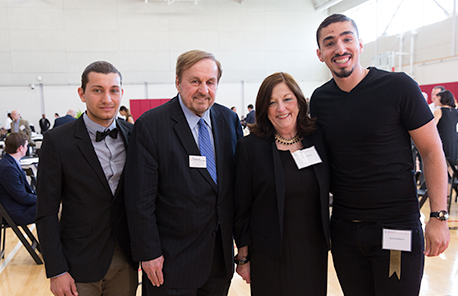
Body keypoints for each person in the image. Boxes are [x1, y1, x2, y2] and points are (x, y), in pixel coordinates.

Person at [310, 14, 450, 296]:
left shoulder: (398, 87)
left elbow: (432, 150)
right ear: (320, 54)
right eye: (330, 43)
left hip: (396, 227)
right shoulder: (320, 100)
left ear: (360, 44)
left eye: (347, 39)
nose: (340, 48)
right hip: (345, 231)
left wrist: (438, 216)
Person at [124, 49, 243, 296]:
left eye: (210, 82)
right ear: (178, 82)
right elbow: (140, 199)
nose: (204, 90)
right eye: (195, 81)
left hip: (218, 261)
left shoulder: (229, 120)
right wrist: (149, 253)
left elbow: (237, 190)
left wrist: (242, 247)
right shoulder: (151, 125)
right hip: (170, 263)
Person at [36, 61, 138, 296]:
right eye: (97, 90)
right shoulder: (57, 142)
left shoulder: (135, 135)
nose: (107, 99)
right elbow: (46, 212)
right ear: (82, 94)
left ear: (121, 93)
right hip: (78, 262)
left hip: (126, 260)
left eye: (113, 90)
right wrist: (56, 270)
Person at [234, 72, 330, 295]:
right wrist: (243, 257)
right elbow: (241, 208)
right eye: (272, 103)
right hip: (268, 254)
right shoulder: (250, 148)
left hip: (312, 250)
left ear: (298, 101)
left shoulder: (317, 139)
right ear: (263, 109)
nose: (281, 108)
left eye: (287, 99)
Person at [0, 133, 37, 226]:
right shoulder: (7, 168)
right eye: (26, 146)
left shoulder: (9, 162)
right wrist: (43, 199)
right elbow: (23, 197)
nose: (27, 148)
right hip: (15, 211)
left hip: (17, 206)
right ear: (20, 148)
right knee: (53, 207)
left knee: (53, 206)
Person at [433, 90, 458, 165]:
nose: (436, 100)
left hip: (443, 138)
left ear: (442, 99)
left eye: (438, 98)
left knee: (443, 162)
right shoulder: (455, 111)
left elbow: (433, 126)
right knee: (452, 163)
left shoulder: (439, 111)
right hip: (454, 139)